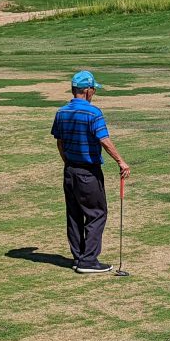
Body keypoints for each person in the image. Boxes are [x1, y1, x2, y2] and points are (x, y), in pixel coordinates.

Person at [51, 70, 130, 273]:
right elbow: (103, 140)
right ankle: (88, 261)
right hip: (88, 172)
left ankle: (78, 257)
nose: (94, 92)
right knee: (96, 213)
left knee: (74, 214)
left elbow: (59, 142)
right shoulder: (93, 113)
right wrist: (121, 161)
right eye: (93, 89)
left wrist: (67, 162)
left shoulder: (61, 112)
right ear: (87, 90)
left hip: (69, 170)